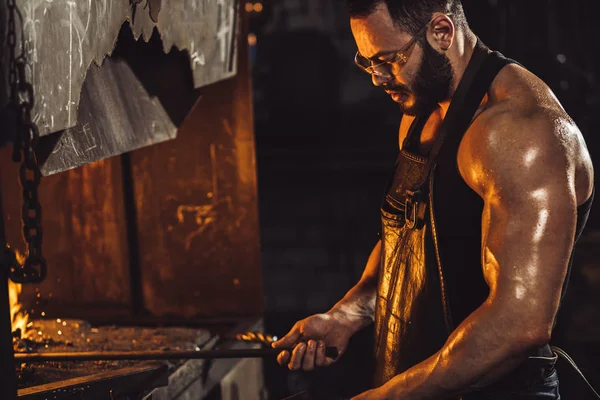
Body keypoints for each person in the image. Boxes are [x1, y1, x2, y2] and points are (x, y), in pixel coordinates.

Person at [271, 0, 596, 399]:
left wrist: (388, 397)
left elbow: (519, 323)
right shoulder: (422, 110)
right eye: (367, 61)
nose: (377, 78)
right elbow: (408, 238)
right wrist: (345, 315)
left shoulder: (521, 132)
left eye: (389, 59)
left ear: (442, 32)